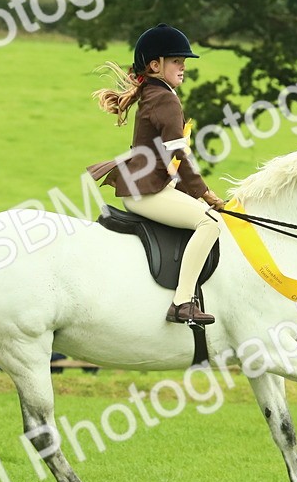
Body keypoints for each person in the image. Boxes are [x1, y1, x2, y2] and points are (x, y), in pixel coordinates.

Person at [87, 24, 225, 325]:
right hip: (147, 191)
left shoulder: (156, 92)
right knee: (210, 223)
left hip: (150, 185)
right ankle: (182, 302)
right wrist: (205, 194)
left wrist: (191, 193)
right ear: (154, 65)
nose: (183, 66)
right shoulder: (165, 98)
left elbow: (167, 158)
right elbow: (179, 155)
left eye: (183, 61)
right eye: (176, 60)